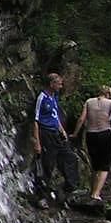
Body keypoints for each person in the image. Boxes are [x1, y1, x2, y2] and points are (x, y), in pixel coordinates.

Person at [71, 85, 111, 201]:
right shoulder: (110, 103)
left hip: (91, 135)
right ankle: (96, 194)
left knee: (95, 165)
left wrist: (75, 134)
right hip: (104, 134)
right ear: (108, 94)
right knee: (104, 165)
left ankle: (92, 191)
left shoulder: (89, 102)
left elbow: (81, 119)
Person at [32, 72, 79, 208]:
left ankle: (66, 190)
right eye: (59, 83)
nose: (61, 86)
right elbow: (35, 120)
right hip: (45, 134)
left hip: (57, 134)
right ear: (51, 84)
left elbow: (55, 115)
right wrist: (37, 142)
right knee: (47, 165)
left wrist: (62, 129)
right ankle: (41, 196)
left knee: (71, 158)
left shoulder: (54, 97)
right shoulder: (42, 97)